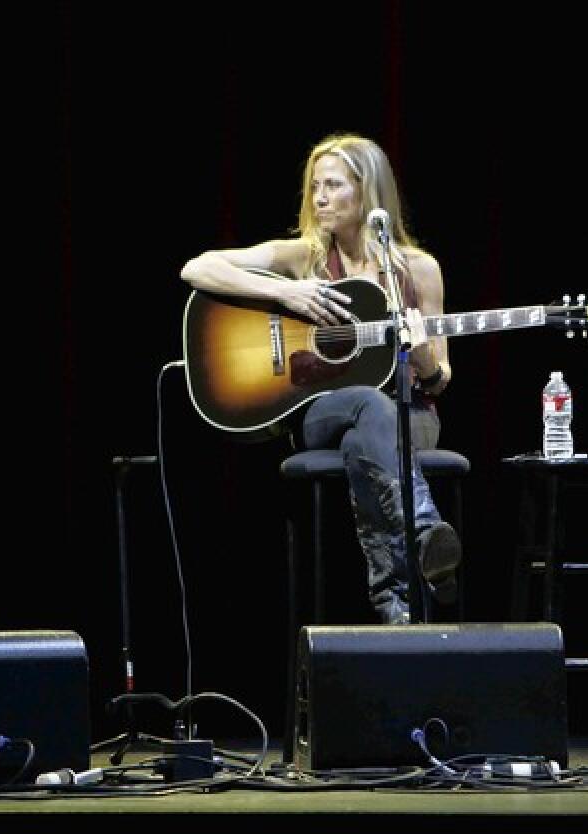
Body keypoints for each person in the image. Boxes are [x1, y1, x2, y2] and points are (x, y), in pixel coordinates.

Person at [180, 133, 460, 624]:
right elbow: (197, 268)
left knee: (366, 436)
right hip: (318, 414)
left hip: (408, 414)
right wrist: (288, 296)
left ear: (367, 191)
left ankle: (394, 609)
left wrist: (419, 359)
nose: (320, 198)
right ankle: (425, 531)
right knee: (368, 408)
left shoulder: (419, 271)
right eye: (314, 187)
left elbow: (439, 380)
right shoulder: (302, 258)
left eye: (333, 185)